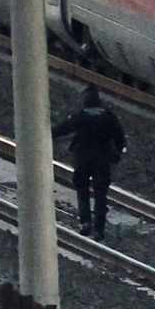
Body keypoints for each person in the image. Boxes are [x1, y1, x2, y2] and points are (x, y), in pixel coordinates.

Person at [51, 85, 126, 240]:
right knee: (100, 194)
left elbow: (63, 129)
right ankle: (99, 230)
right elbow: (120, 138)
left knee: (82, 190)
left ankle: (85, 222)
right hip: (102, 160)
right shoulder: (109, 117)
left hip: (82, 159)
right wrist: (117, 154)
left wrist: (48, 132)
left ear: (85, 102)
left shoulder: (80, 116)